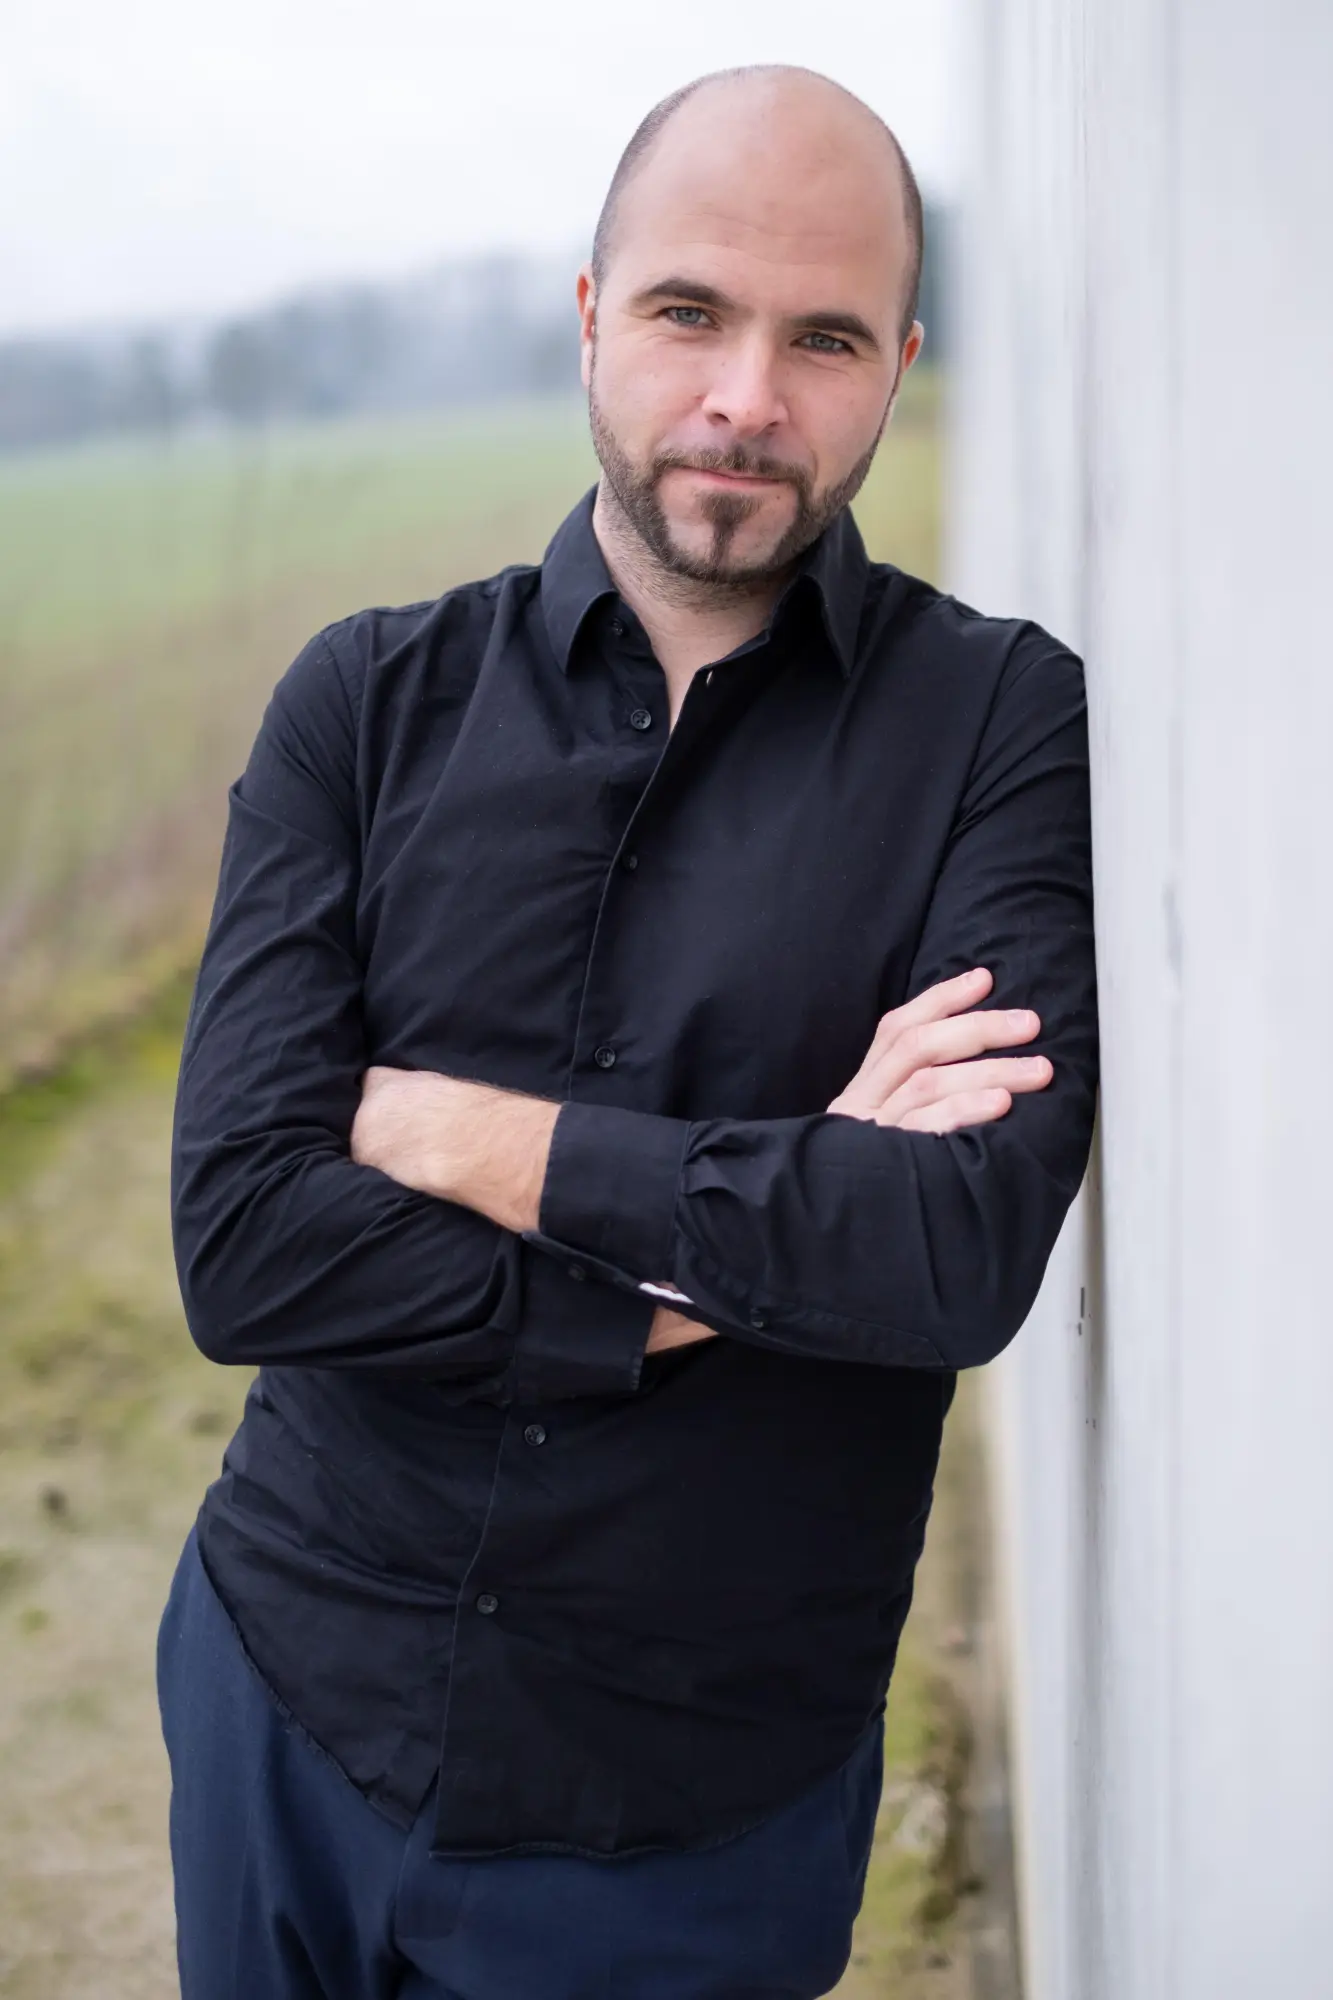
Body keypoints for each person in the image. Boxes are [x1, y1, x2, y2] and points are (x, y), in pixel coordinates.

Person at [160, 62, 1098, 2000]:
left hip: (692, 1809)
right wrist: (733, 1247)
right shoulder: (361, 705)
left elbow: (947, 1250)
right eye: (691, 310)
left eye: (824, 337)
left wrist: (466, 1137)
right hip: (290, 1697)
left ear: (900, 366)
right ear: (593, 315)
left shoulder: (1001, 726)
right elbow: (243, 1240)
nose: (748, 396)